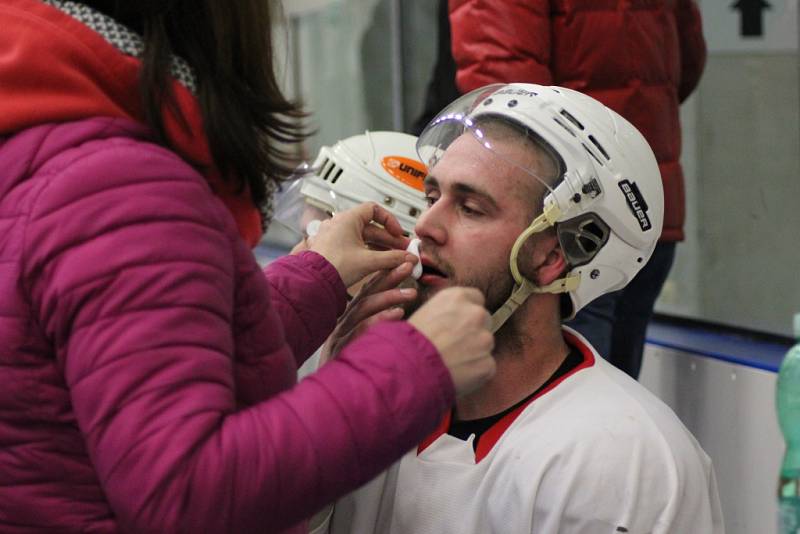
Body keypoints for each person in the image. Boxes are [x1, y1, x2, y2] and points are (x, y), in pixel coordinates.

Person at [0, 2, 498, 532]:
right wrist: (416, 366)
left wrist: (312, 278)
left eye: (472, 207)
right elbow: (186, 493)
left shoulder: (46, 139)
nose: (429, 229)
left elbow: (130, 362)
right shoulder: (124, 184)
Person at [328, 83, 724, 533]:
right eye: (432, 196)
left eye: (471, 208)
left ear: (553, 256)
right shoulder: (373, 401)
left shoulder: (625, 459)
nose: (425, 225)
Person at [440, 0, 707, 378]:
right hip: (642, 205)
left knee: (553, 413)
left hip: (557, 225)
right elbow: (688, 61)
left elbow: (508, 106)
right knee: (615, 406)